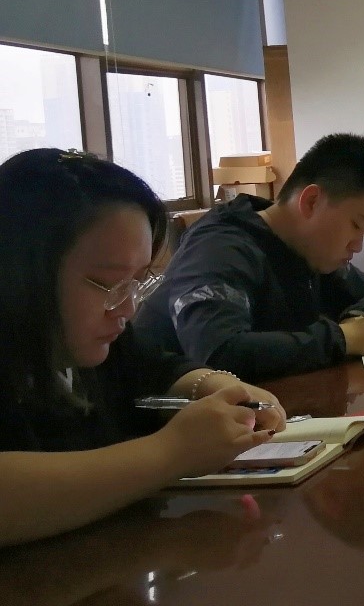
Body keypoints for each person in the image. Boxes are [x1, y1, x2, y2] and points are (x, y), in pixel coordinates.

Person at [0, 149, 285, 547]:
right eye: (106, 283)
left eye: (138, 282)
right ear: (20, 271)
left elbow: (156, 369)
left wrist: (216, 385)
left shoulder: (86, 342)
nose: (127, 307)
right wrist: (171, 453)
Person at [134, 133, 364, 383]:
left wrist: (360, 320)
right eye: (356, 226)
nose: (357, 246)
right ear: (311, 201)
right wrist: (345, 339)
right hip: (170, 413)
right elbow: (219, 354)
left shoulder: (305, 248)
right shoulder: (220, 249)